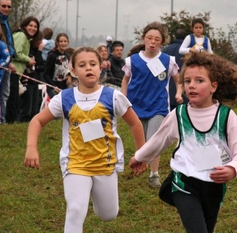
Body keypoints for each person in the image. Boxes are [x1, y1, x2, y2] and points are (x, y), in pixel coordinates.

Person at [24, 46, 147, 232]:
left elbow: (135, 124)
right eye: (82, 65)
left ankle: (96, 196)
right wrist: (31, 147)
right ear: (73, 71)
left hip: (105, 164)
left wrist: (142, 154)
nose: (88, 68)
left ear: (100, 67)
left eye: (92, 64)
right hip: (75, 164)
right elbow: (37, 121)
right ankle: (81, 195)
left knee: (108, 214)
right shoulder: (64, 98)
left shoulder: (113, 97)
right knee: (75, 209)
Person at [129, 51, 237, 233]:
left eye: (199, 81)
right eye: (187, 81)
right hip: (184, 182)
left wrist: (233, 168)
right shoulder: (178, 115)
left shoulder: (226, 116)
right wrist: (139, 157)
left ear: (213, 86)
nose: (191, 86)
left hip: (214, 185)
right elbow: (158, 140)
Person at [121, 21, 183, 188]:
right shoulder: (132, 61)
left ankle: (154, 175)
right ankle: (140, 166)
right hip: (136, 107)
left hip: (158, 107)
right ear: (143, 39)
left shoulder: (168, 60)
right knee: (141, 142)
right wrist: (123, 99)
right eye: (149, 38)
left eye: (157, 39)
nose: (153, 42)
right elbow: (125, 80)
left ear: (162, 42)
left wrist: (178, 93)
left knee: (154, 141)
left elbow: (179, 81)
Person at [6, 16, 40, 123]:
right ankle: (10, 121)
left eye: (35, 26)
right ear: (25, 25)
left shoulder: (27, 38)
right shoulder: (21, 35)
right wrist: (28, 59)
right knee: (13, 98)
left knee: (15, 97)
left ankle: (12, 120)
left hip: (18, 71)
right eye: (30, 25)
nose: (33, 28)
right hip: (13, 70)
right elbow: (16, 52)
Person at [19, 31, 45, 122]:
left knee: (35, 107)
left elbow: (41, 65)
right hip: (27, 79)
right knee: (27, 107)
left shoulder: (38, 51)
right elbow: (35, 63)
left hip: (35, 80)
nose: (40, 43)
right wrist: (39, 52)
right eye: (39, 40)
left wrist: (39, 52)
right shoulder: (30, 50)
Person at [162, 28, 189, 110]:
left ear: (174, 37)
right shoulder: (189, 50)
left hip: (170, 87)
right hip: (185, 86)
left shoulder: (166, 49)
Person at [43, 33, 71, 99]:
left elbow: (67, 69)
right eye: (61, 41)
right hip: (53, 87)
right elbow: (46, 74)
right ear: (57, 43)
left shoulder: (67, 56)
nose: (63, 43)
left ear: (68, 42)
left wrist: (69, 76)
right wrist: (53, 86)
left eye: (65, 41)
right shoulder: (52, 55)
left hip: (64, 87)